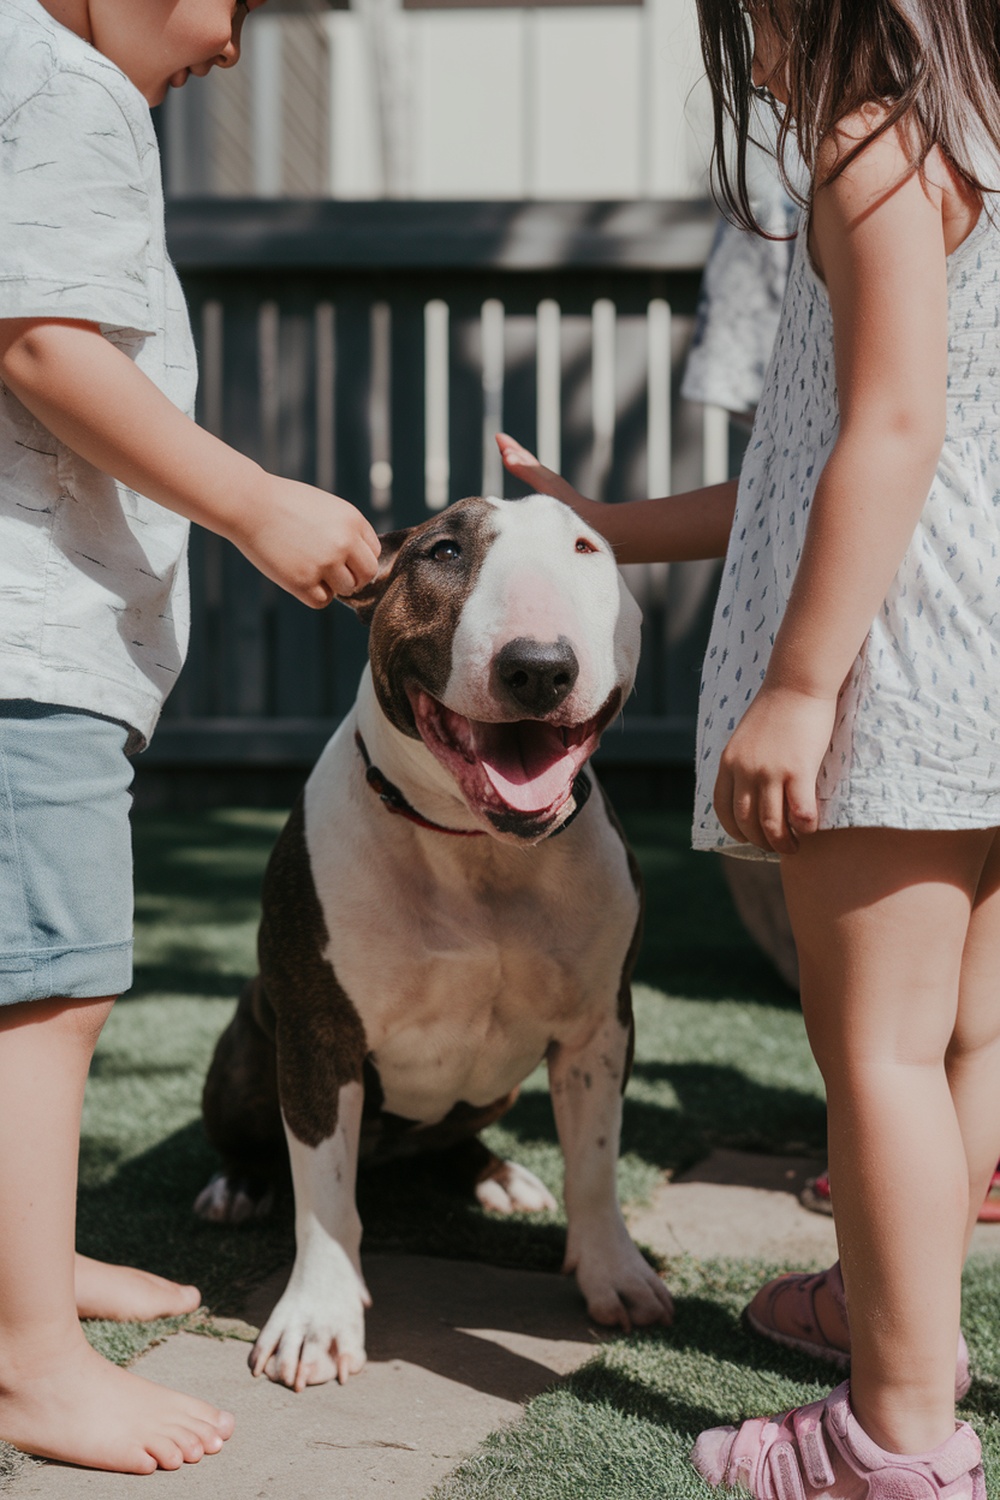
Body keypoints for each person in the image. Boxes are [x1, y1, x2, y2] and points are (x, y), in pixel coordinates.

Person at [497, 0, 1000, 1490]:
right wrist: (599, 523)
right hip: (976, 640)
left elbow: (890, 429)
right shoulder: (968, 143)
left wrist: (798, 685)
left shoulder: (868, 142)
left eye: (750, 26)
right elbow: (809, 454)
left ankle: (895, 1441)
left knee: (881, 1058)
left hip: (897, 659)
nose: (753, 59)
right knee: (959, 1035)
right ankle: (888, 1312)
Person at [0, 0, 380, 1476]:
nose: (235, 46)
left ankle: (22, 1273)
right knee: (49, 999)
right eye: (238, 1)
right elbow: (40, 341)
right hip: (28, 640)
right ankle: (31, 1361)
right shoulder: (71, 83)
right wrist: (253, 502)